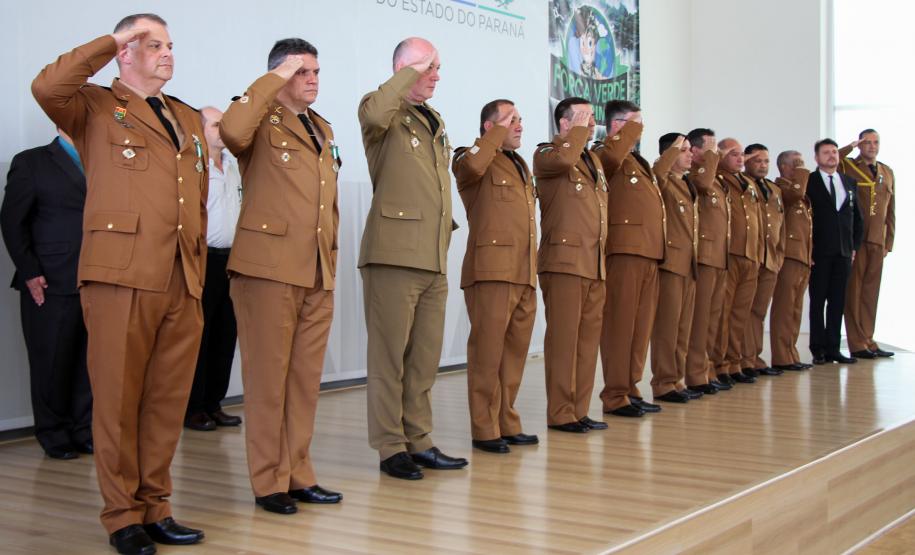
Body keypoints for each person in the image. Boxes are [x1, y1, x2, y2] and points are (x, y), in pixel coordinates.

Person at [32, 13, 208, 554]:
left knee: (165, 400)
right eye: (152, 44)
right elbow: (46, 85)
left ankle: (156, 506)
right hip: (121, 273)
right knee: (116, 400)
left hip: (182, 272)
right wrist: (110, 43)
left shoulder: (185, 116)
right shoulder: (93, 105)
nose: (166, 53)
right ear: (126, 52)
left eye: (170, 44)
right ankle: (121, 515)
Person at [221, 38, 343, 513]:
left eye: (315, 70)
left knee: (303, 381)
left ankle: (298, 472)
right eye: (300, 71)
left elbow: (324, 202)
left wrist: (329, 256)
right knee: (268, 382)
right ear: (278, 74)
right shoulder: (256, 117)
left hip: (314, 269)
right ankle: (268, 481)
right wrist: (273, 80)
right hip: (267, 269)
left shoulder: (322, 128)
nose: (312, 78)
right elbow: (231, 132)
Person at [358, 37, 467, 480]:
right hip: (393, 254)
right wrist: (408, 72)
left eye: (438, 67)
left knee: (423, 358)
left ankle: (419, 439)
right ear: (404, 67)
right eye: (430, 67)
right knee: (389, 358)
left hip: (432, 254)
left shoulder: (432, 118)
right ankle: (390, 447)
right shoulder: (380, 110)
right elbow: (374, 113)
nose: (437, 75)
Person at [453, 99, 539, 454]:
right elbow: (471, 166)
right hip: (491, 270)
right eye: (510, 120)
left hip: (523, 269)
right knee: (487, 353)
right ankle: (484, 427)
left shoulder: (518, 163)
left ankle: (507, 420)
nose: (519, 125)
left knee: (514, 353)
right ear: (489, 127)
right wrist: (492, 135)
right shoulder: (470, 155)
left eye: (521, 119)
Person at [1, 129, 92, 460]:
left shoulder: (105, 159)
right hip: (50, 279)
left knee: (89, 361)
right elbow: (12, 222)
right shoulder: (32, 162)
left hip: (97, 277)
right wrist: (29, 271)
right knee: (51, 361)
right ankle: (54, 432)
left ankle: (84, 429)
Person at [533, 97, 608, 433]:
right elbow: (564, 160)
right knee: (564, 340)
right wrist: (575, 134)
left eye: (592, 117)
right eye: (582, 117)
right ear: (564, 123)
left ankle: (579, 409)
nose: (590, 123)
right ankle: (561, 412)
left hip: (593, 261)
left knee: (587, 341)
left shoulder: (591, 158)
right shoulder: (547, 153)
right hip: (564, 261)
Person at [592, 100, 666, 417]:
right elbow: (610, 157)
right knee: (620, 326)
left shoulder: (637, 160)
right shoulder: (603, 152)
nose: (640, 129)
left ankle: (631, 387)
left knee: (640, 328)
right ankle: (615, 393)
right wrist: (628, 131)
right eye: (634, 122)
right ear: (617, 124)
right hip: (624, 250)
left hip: (649, 251)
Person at [183, 106, 242, 432]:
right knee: (199, 337)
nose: (224, 130)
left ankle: (214, 403)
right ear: (200, 130)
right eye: (218, 125)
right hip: (202, 258)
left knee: (225, 334)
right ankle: (193, 407)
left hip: (231, 261)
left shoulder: (232, 168)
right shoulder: (193, 168)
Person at [648, 133, 701, 403]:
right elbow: (658, 171)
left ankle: (676, 379)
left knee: (683, 327)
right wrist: (671, 152)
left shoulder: (688, 183)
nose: (690, 154)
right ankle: (663, 382)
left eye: (691, 150)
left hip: (689, 263)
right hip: (671, 263)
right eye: (683, 150)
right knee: (667, 328)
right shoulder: (664, 180)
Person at [682, 129, 732, 395]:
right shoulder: (696, 176)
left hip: (719, 256)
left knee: (713, 320)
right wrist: (713, 158)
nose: (717, 153)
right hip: (704, 256)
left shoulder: (716, 179)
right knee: (700, 321)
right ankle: (695, 373)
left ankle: (709, 368)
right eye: (711, 147)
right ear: (697, 151)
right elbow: (701, 185)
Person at [838, 130, 895, 359]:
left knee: (871, 293)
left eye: (875, 142)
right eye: (867, 142)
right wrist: (850, 146)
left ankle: (869, 339)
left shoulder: (887, 171)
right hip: (856, 240)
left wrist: (888, 240)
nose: (872, 146)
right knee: (854, 292)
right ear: (861, 145)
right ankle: (856, 342)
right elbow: (832, 161)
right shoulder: (849, 165)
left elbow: (891, 209)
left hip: (877, 240)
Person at [807, 139, 863, 365]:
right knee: (818, 300)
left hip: (843, 252)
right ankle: (817, 348)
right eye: (826, 153)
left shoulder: (849, 182)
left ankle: (833, 348)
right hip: (819, 252)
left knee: (838, 301)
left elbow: (856, 217)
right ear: (817, 158)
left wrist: (854, 247)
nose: (831, 156)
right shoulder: (809, 182)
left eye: (833, 152)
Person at [713, 138, 763, 386]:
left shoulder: (749, 183)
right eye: (734, 154)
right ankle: (719, 364)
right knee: (723, 313)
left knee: (740, 314)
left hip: (750, 254)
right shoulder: (718, 178)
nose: (740, 159)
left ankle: (734, 362)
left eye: (742, 154)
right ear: (721, 155)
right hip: (731, 254)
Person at [740, 144, 786, 377]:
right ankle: (742, 359)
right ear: (747, 161)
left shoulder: (773, 189)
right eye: (758, 160)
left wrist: (778, 256)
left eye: (766, 161)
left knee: (758, 312)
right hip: (750, 255)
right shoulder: (740, 184)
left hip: (770, 258)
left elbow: (780, 225)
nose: (763, 165)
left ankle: (754, 357)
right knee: (742, 311)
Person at [770, 150, 814, 371]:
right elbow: (794, 196)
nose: (801, 167)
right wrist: (802, 174)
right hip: (788, 255)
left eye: (803, 163)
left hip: (802, 256)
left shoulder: (800, 191)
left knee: (796, 309)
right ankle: (781, 356)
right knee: (784, 308)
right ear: (784, 167)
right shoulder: (781, 189)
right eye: (796, 163)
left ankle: (791, 352)